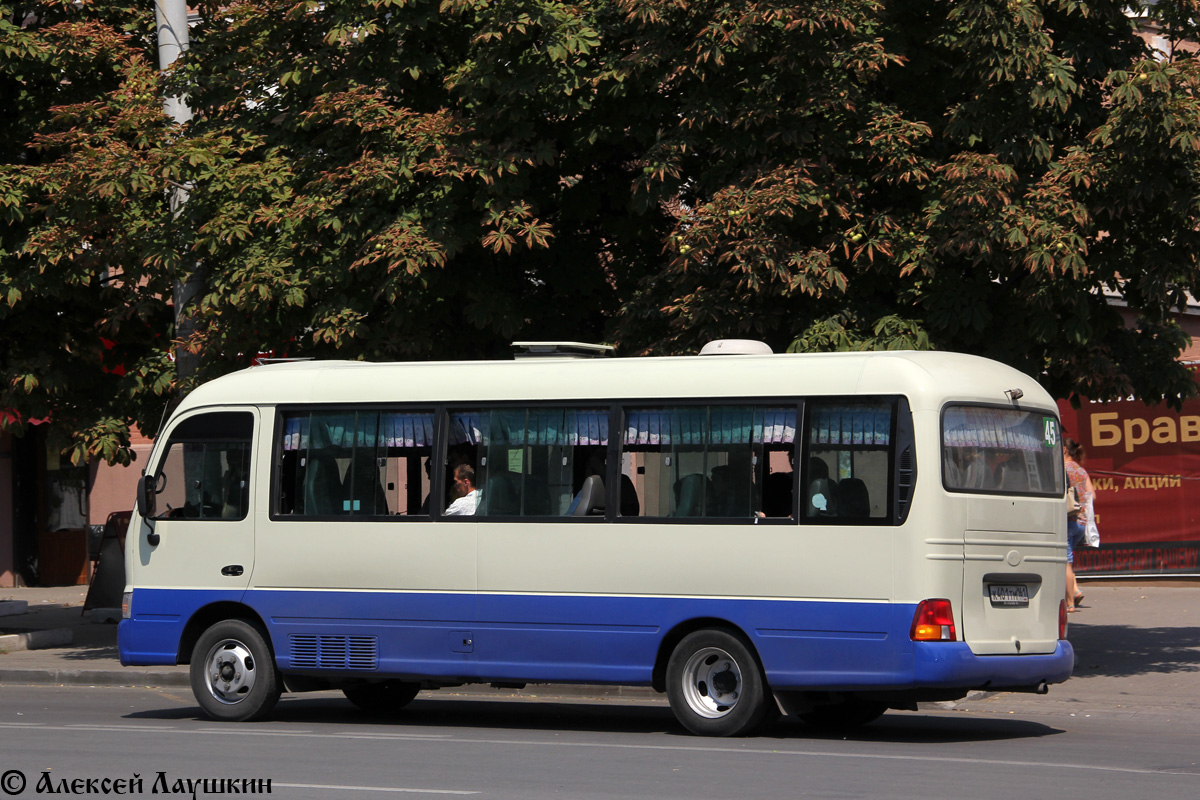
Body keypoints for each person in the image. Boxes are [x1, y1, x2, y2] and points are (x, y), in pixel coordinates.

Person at [1064, 438, 1094, 612]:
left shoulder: (1062, 469)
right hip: (1082, 523)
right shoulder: (1081, 471)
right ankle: (1074, 591)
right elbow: (1092, 495)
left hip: (1068, 520)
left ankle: (1069, 603)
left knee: (1065, 564)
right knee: (1067, 561)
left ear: (1064, 450)